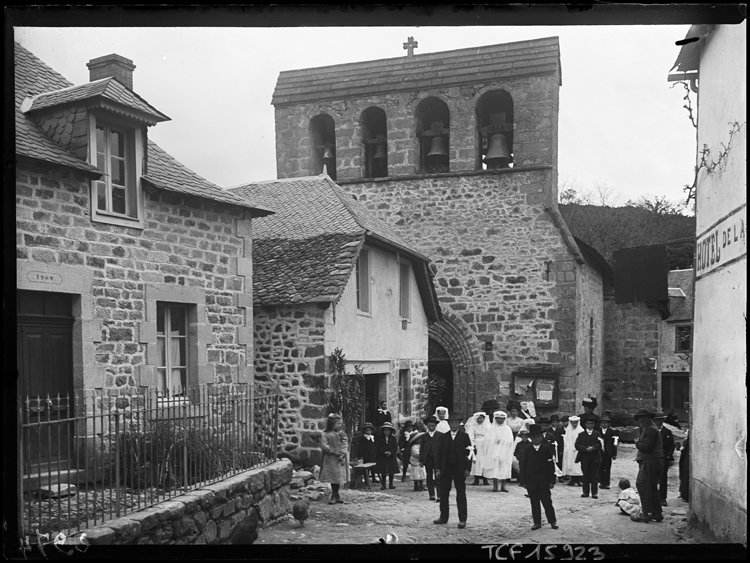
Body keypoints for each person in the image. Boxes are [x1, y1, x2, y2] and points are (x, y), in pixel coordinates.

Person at [433, 412, 472, 529]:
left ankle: (462, 519)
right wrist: (438, 469)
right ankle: (443, 517)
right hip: (446, 468)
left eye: (456, 422)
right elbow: (439, 455)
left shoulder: (464, 437)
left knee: (461, 493)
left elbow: (469, 454)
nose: (453, 425)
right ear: (448, 424)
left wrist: (467, 469)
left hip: (459, 468)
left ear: (459, 423)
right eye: (451, 422)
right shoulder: (443, 437)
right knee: (444, 493)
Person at [521, 424, 559, 530]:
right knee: (534, 502)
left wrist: (552, 480)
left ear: (542, 437)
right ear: (530, 438)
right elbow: (523, 466)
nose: (536, 439)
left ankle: (552, 521)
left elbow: (551, 466)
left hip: (544, 481)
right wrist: (523, 481)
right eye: (533, 437)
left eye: (538, 436)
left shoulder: (546, 449)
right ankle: (537, 522)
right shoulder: (527, 450)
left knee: (547, 501)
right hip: (531, 481)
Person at [633, 408, 664, 523]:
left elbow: (647, 447)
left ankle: (645, 513)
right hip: (653, 461)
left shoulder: (650, 430)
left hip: (650, 461)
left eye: (643, 418)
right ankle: (657, 513)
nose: (641, 420)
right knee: (651, 487)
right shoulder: (649, 428)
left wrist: (637, 443)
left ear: (649, 418)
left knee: (642, 485)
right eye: (639, 418)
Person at [319, 413, 350, 505]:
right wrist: (333, 452)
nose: (340, 426)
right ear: (332, 424)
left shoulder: (342, 434)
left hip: (340, 458)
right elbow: (324, 445)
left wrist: (342, 453)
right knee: (333, 477)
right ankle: (334, 495)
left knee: (339, 477)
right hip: (331, 458)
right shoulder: (325, 434)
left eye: (341, 424)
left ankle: (336, 495)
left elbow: (345, 443)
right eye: (338, 424)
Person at [575, 418, 603, 499]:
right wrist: (585, 449)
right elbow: (577, 445)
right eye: (588, 423)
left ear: (594, 425)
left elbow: (600, 444)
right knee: (585, 475)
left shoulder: (597, 434)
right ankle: (585, 492)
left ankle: (594, 493)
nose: (590, 425)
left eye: (592, 423)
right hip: (585, 457)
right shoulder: (581, 435)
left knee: (594, 475)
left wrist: (593, 448)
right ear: (585, 425)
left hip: (595, 457)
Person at [487, 411, 514, 493]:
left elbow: (510, 440)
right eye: (498, 418)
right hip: (494, 450)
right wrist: (494, 440)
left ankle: (503, 486)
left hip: (504, 450)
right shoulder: (491, 428)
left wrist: (502, 441)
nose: (499, 420)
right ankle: (495, 485)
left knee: (504, 467)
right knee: (495, 467)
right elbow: (487, 439)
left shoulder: (507, 428)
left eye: (501, 419)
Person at [654, 412, 676, 506]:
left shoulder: (667, 432)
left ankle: (663, 498)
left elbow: (672, 445)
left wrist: (668, 456)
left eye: (661, 420)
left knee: (663, 479)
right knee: (653, 478)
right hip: (654, 457)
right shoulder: (651, 431)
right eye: (657, 420)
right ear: (654, 421)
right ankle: (654, 498)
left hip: (663, 457)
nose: (659, 422)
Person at [419, 415, 442, 501]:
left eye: (433, 426)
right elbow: (422, 448)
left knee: (438, 476)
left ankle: (439, 495)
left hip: (437, 459)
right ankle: (431, 494)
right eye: (429, 426)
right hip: (428, 459)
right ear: (427, 426)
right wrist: (421, 460)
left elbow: (442, 449)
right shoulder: (424, 437)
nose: (431, 427)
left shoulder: (440, 435)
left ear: (436, 426)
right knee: (429, 476)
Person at [465, 412, 491, 486]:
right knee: (476, 461)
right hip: (477, 444)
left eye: (481, 418)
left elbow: (489, 435)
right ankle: (476, 479)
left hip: (485, 444)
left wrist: (488, 443)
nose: (480, 420)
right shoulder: (473, 426)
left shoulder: (488, 426)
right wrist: (472, 445)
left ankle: (485, 479)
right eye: (478, 418)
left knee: (485, 460)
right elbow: (470, 435)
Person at [376, 421, 399, 490]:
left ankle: (391, 484)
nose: (386, 432)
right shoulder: (380, 439)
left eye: (388, 430)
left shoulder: (393, 438)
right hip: (382, 456)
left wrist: (391, 452)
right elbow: (378, 447)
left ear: (390, 431)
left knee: (391, 470)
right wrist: (384, 452)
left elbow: (395, 447)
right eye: (385, 430)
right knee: (383, 471)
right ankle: (383, 484)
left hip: (391, 456)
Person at [562, 415, 584, 486]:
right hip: (570, 450)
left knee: (578, 465)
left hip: (578, 450)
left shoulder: (581, 430)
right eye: (573, 423)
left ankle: (579, 480)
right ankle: (572, 479)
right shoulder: (568, 430)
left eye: (576, 423)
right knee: (571, 465)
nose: (574, 424)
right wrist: (568, 448)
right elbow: (567, 440)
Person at [598, 415, 618, 490]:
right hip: (600, 452)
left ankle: (607, 483)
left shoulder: (611, 431)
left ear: (608, 424)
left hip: (608, 452)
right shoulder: (598, 431)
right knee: (600, 468)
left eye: (606, 423)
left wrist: (614, 454)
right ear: (600, 424)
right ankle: (601, 482)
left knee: (607, 468)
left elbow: (614, 443)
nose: (604, 424)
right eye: (602, 423)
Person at [514, 428, 533, 493]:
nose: (524, 438)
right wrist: (518, 457)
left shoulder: (530, 444)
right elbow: (516, 452)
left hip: (529, 459)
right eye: (523, 437)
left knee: (528, 471)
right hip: (521, 459)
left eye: (525, 437)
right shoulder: (519, 444)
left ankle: (528, 482)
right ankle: (522, 482)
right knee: (521, 471)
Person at [553, 415, 567, 481]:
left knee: (560, 461)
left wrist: (561, 450)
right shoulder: (549, 430)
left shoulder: (560, 430)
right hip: (552, 448)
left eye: (556, 422)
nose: (555, 423)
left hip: (559, 448)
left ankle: (561, 475)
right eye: (553, 422)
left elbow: (562, 441)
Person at [677, 430, 689, 501]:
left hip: (687, 454)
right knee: (683, 472)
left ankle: (685, 494)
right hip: (685, 454)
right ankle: (683, 492)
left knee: (686, 473)